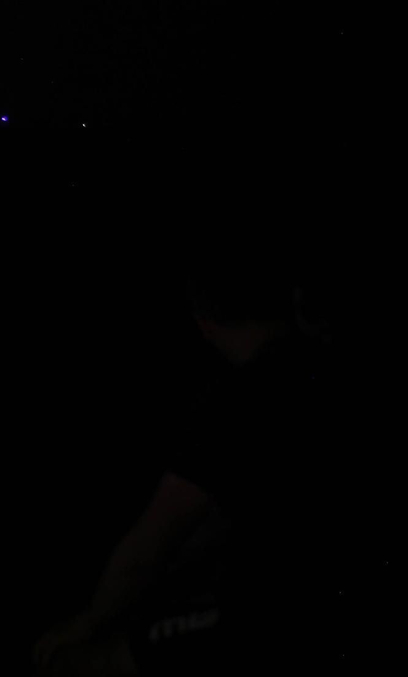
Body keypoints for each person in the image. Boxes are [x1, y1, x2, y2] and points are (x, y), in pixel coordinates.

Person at [32, 248, 381, 675]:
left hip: (283, 619)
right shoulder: (334, 370)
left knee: (83, 661)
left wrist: (86, 623)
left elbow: (152, 543)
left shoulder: (238, 404)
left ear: (202, 319)